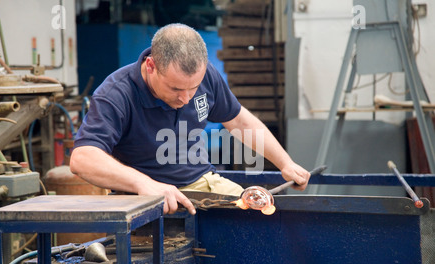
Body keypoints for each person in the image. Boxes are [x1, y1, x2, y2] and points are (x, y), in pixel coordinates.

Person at [70, 23, 310, 216]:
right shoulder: (116, 94)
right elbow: (83, 159)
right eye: (175, 89)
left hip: (201, 183)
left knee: (256, 220)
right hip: (143, 198)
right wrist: (145, 184)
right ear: (151, 66)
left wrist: (285, 164)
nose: (185, 98)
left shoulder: (206, 75)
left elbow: (240, 122)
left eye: (193, 88)